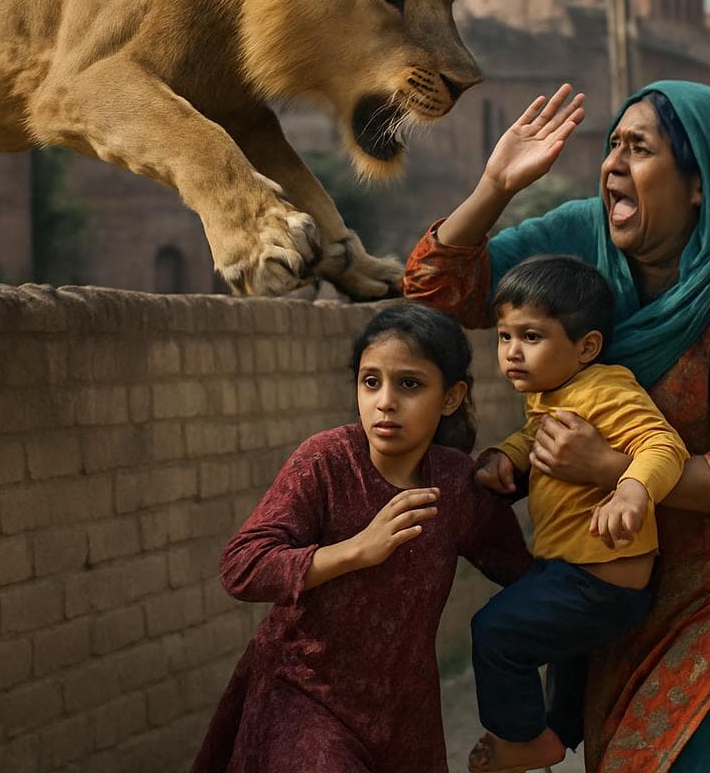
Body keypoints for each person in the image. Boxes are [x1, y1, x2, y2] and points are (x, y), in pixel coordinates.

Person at [404, 80, 710, 772]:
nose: (612, 163)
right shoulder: (587, 239)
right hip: (620, 598)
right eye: (611, 145)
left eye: (638, 148)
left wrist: (613, 469)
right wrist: (495, 184)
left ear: (699, 182)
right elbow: (437, 289)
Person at [192, 303, 532, 773]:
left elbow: (524, 575)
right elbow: (242, 566)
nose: (385, 401)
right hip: (304, 698)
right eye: (371, 381)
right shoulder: (326, 461)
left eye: (409, 384)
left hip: (404, 715)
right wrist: (355, 550)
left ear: (451, 397)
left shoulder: (456, 484)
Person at [468, 254, 689, 773]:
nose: (512, 353)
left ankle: (520, 740)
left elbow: (663, 447)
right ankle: (556, 734)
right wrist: (508, 456)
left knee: (496, 632)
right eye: (504, 337)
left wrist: (632, 489)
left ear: (586, 346)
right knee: (566, 661)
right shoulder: (554, 393)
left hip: (599, 584)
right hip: (574, 573)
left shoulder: (605, 389)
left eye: (531, 336)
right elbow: (534, 435)